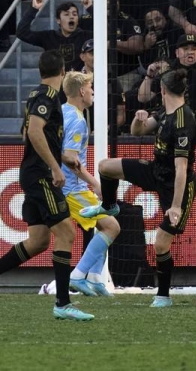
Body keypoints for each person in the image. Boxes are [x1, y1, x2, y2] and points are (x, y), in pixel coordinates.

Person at [79, 68, 196, 307]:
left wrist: (175, 206)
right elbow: (137, 131)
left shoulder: (184, 121)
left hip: (177, 185)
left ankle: (163, 296)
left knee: (161, 244)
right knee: (105, 167)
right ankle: (110, 206)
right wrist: (138, 118)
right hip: (156, 171)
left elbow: (182, 169)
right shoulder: (165, 112)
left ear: (162, 90)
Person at [0, 50, 93, 320]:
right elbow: (32, 132)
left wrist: (60, 157)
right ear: (62, 72)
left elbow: (28, 134)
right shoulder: (48, 97)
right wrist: (54, 167)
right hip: (40, 175)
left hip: (33, 172)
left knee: (39, 241)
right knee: (67, 234)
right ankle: (63, 304)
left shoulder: (35, 95)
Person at [58, 72, 122, 296]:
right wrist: (96, 183)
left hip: (66, 186)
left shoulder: (62, 112)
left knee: (104, 226)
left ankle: (95, 278)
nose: (93, 91)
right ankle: (78, 275)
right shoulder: (77, 120)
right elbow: (69, 157)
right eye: (90, 87)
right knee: (112, 226)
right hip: (71, 188)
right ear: (82, 91)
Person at [16, 0, 93, 71]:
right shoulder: (49, 37)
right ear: (58, 20)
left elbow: (104, 32)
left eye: (74, 14)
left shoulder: (86, 36)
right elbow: (22, 33)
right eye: (66, 14)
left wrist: (91, 9)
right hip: (55, 82)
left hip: (81, 82)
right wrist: (33, 9)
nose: (71, 17)